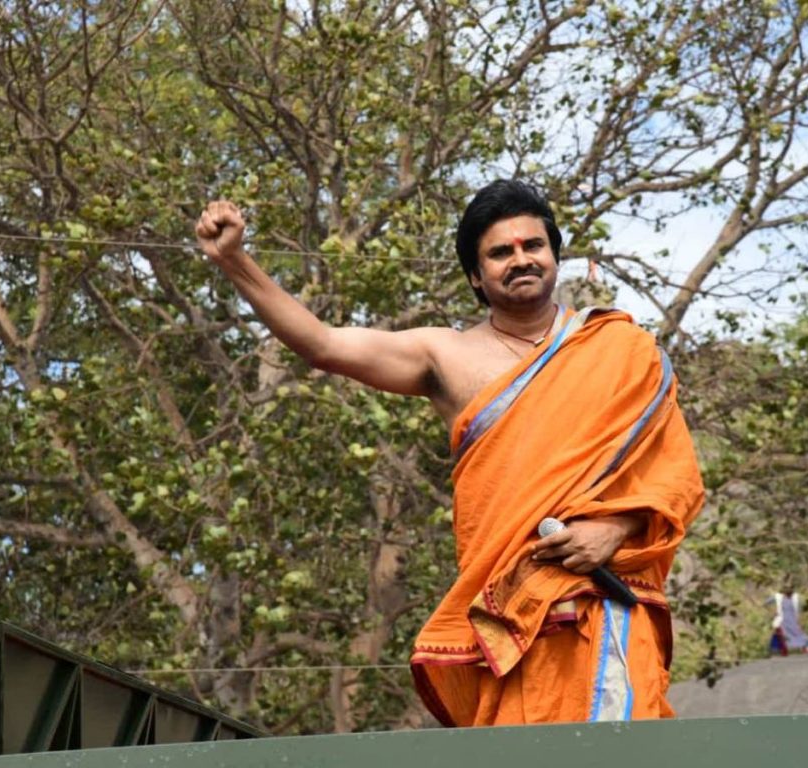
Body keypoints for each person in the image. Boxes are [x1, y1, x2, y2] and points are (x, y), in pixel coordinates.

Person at [195, 180, 704, 727]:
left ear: (554, 256)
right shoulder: (447, 355)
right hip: (508, 621)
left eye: (532, 245)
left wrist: (618, 527)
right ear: (476, 277)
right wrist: (235, 260)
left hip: (607, 607)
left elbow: (675, 474)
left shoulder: (621, 351)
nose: (520, 259)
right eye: (500, 253)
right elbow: (323, 344)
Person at [766, 580, 808, 656]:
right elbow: (766, 603)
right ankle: (779, 652)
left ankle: (804, 650)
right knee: (780, 636)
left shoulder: (797, 597)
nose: (789, 590)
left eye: (791, 588)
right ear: (783, 589)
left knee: (799, 635)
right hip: (782, 621)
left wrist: (802, 619)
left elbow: (803, 608)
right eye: (787, 588)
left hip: (794, 621)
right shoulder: (778, 597)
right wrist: (772, 612)